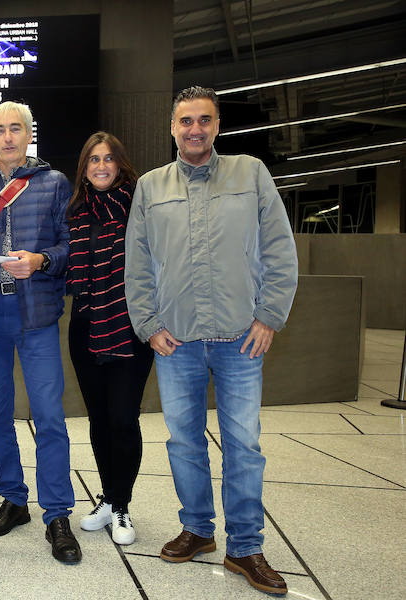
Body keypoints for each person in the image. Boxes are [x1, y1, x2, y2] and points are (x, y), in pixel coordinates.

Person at [125, 86, 297, 595]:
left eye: (204, 120)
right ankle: (198, 529)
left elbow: (279, 250)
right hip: (175, 341)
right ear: (173, 128)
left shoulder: (251, 174)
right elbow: (136, 266)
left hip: (241, 339)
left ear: (217, 125)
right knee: (183, 442)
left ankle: (245, 547)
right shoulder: (151, 187)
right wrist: (149, 325)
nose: (195, 129)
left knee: (243, 444)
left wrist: (269, 316)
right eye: (185, 121)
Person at [0, 101, 80, 564]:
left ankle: (57, 513)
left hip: (37, 315)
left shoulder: (54, 183)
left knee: (49, 416)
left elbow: (69, 245)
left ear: (30, 134)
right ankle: (13, 498)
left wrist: (41, 261)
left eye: (16, 129)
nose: (8, 137)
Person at [66, 132, 154, 546]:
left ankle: (121, 505)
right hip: (84, 326)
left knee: (123, 418)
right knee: (99, 420)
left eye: (108, 159)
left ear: (120, 164)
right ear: (84, 168)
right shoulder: (76, 212)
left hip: (128, 329)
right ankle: (108, 497)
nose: (101, 166)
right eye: (93, 160)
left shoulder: (140, 208)